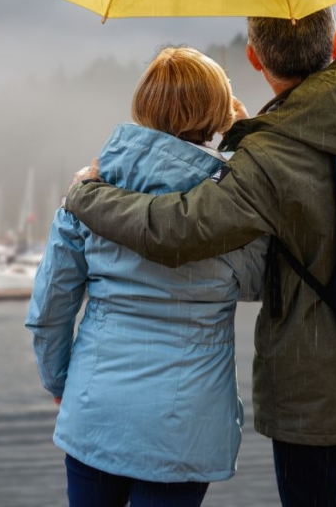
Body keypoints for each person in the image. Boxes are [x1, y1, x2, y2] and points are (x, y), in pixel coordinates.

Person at [64, 8, 336, 507]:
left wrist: (87, 196)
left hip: (312, 396)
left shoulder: (266, 157)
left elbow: (176, 228)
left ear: (254, 58)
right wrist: (247, 133)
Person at [26, 46, 267, 507]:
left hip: (95, 408)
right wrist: (241, 141)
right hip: (183, 423)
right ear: (218, 114)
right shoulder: (231, 206)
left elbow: (49, 310)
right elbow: (258, 282)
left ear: (143, 106)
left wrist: (61, 384)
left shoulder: (88, 192)